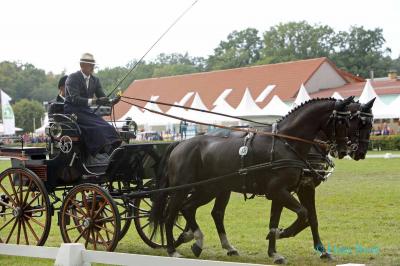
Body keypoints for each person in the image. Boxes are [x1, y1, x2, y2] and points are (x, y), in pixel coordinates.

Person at [64, 53, 121, 164]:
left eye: (93, 65)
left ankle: (113, 151)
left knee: (107, 126)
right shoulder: (72, 78)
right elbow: (75, 99)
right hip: (73, 111)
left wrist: (112, 101)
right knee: (96, 127)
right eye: (90, 65)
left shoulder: (95, 80)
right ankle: (96, 154)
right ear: (82, 65)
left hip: (86, 111)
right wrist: (95, 101)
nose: (93, 67)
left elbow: (102, 97)